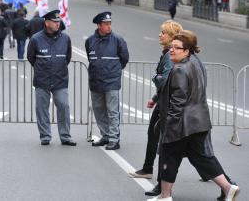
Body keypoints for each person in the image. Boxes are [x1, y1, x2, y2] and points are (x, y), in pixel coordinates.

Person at [149, 30, 239, 201]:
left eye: (176, 47)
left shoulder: (180, 70)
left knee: (170, 155)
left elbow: (178, 101)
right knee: (201, 158)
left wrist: (169, 123)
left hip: (182, 124)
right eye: (171, 47)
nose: (171, 50)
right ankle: (229, 188)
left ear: (187, 50)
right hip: (199, 121)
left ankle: (165, 196)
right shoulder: (196, 63)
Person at [129, 20, 183, 197]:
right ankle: (148, 168)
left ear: (172, 37)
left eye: (163, 33)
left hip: (167, 106)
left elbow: (164, 80)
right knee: (155, 138)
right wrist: (154, 98)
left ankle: (160, 184)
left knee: (164, 145)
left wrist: (156, 77)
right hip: (162, 102)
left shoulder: (169, 56)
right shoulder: (167, 54)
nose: (160, 35)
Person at [27, 10, 76, 146]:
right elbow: (31, 58)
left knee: (64, 106)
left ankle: (65, 136)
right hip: (42, 80)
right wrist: (41, 69)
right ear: (47, 23)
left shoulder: (65, 39)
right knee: (42, 109)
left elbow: (67, 57)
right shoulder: (36, 39)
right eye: (54, 22)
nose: (57, 24)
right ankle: (45, 136)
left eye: (58, 21)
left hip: (60, 79)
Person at [85, 11, 129, 150]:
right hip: (95, 81)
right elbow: (90, 59)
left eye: (110, 24)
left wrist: (114, 71)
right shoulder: (90, 41)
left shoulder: (118, 40)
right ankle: (105, 135)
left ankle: (114, 139)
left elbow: (124, 59)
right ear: (99, 25)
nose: (109, 26)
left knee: (112, 111)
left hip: (111, 82)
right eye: (106, 24)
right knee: (99, 111)